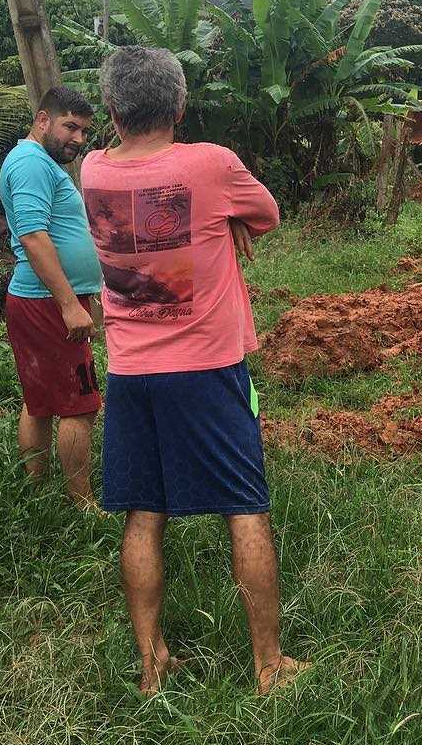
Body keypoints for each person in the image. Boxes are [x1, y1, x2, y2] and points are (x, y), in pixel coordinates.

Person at [81, 45, 303, 696]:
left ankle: (153, 666)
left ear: (113, 110)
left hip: (130, 371)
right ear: (180, 107)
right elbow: (266, 215)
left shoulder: (91, 169)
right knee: (245, 509)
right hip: (206, 368)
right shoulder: (212, 165)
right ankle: (268, 665)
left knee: (142, 516)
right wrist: (224, 224)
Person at [0, 85, 103, 507]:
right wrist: (67, 304)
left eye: (83, 131)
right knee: (81, 404)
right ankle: (82, 502)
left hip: (43, 300)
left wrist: (85, 296)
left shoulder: (36, 161)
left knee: (39, 400)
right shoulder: (29, 163)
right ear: (43, 120)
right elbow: (33, 235)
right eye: (70, 127)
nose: (77, 139)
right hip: (48, 303)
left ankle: (34, 489)